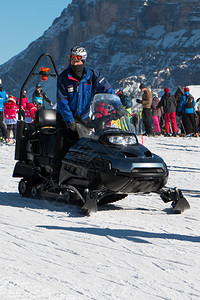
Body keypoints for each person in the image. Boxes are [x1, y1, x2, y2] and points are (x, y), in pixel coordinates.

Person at [53, 46, 124, 179]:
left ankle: (91, 174)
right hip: (65, 117)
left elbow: (107, 89)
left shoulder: (93, 75)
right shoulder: (63, 77)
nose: (74, 62)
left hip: (84, 117)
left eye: (77, 59)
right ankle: (56, 177)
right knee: (62, 144)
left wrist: (118, 105)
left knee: (91, 144)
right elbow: (62, 102)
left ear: (83, 60)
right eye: (72, 59)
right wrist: (70, 121)